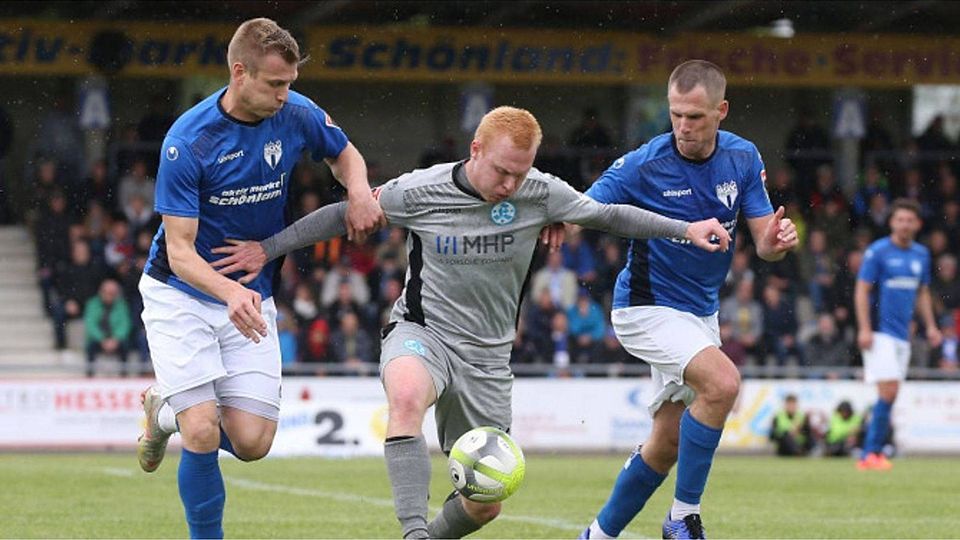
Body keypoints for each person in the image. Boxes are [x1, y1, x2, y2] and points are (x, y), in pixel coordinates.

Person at [210, 106, 732, 540]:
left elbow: (609, 215)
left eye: (520, 174)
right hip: (424, 332)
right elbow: (347, 211)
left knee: (485, 503)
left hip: (488, 357)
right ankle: (413, 532)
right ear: (475, 150)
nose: (510, 184)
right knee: (408, 399)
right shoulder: (420, 191)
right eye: (502, 170)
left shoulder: (539, 193)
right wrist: (269, 248)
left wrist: (686, 228)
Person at [133, 18, 383, 540]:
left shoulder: (296, 113)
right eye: (275, 85)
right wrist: (228, 292)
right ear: (239, 73)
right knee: (202, 429)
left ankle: (165, 412)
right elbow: (179, 254)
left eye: (290, 83)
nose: (285, 95)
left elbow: (345, 153)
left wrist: (358, 190)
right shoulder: (188, 140)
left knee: (252, 442)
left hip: (251, 291)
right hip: (181, 293)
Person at [577, 60, 799, 540]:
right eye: (675, 113)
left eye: (694, 116)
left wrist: (776, 243)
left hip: (700, 315)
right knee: (722, 384)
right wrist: (549, 219)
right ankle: (682, 517)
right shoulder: (645, 161)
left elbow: (763, 242)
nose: (682, 126)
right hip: (645, 308)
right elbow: (583, 210)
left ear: (721, 111)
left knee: (665, 443)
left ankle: (596, 536)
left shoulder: (742, 158)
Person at [854, 198, 941, 471]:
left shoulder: (921, 255)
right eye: (899, 219)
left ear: (917, 224)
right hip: (880, 333)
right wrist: (865, 328)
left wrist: (930, 326)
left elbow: (923, 292)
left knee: (890, 394)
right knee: (888, 390)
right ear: (891, 222)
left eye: (909, 220)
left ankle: (874, 450)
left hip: (903, 335)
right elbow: (862, 290)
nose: (904, 224)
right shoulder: (878, 252)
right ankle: (870, 453)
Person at [83, 278, 132, 377]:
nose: (111, 296)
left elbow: (125, 324)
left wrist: (116, 339)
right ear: (101, 292)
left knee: (125, 346)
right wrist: (102, 339)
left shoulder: (121, 305)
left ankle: (124, 375)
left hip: (116, 339)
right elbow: (90, 324)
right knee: (90, 348)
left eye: (113, 293)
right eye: (109, 293)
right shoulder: (92, 304)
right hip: (98, 339)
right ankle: (90, 376)